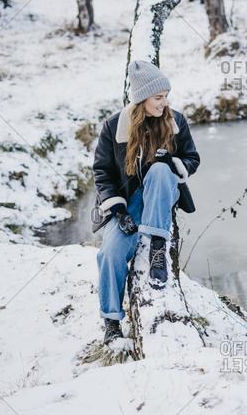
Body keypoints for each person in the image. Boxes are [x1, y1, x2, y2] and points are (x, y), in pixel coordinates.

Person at [92, 60, 200, 344]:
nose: (164, 103)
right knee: (109, 254)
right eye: (158, 97)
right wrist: (117, 208)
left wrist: (172, 162)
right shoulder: (114, 126)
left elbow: (192, 159)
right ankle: (112, 322)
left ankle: (157, 247)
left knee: (161, 169)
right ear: (142, 99)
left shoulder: (176, 121)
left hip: (162, 191)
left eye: (166, 96)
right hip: (128, 202)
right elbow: (102, 172)